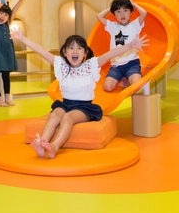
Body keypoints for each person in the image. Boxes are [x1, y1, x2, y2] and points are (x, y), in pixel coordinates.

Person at [11, 28, 148, 159]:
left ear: (85, 53)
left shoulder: (90, 66)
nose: (75, 51)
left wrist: (131, 45)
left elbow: (110, 54)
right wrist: (22, 38)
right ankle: (42, 143)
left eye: (79, 48)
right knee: (55, 115)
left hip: (84, 107)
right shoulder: (62, 66)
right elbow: (41, 51)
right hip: (65, 104)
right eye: (71, 48)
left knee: (68, 117)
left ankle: (54, 146)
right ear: (65, 52)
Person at [96, 0, 148, 93]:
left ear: (131, 12)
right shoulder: (113, 26)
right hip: (116, 66)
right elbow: (99, 16)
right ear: (114, 15)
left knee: (136, 85)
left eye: (125, 10)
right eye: (118, 12)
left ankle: (130, 77)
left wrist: (133, 4)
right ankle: (123, 77)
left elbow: (144, 13)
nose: (122, 14)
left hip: (131, 63)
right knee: (107, 87)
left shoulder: (134, 25)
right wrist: (112, 7)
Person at [0, 0, 25, 107]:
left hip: (7, 51)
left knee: (6, 77)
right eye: (0, 13)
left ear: (8, 17)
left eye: (5, 15)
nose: (2, 16)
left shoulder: (7, 23)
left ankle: (7, 98)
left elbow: (14, 10)